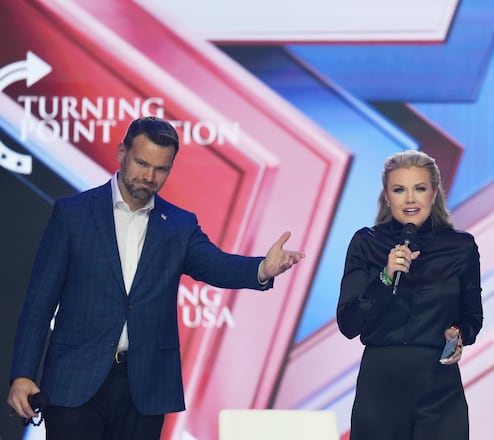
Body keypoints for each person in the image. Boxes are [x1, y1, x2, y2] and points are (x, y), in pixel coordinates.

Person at [6, 116, 305, 440]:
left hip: (145, 388)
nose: (149, 176)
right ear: (122, 153)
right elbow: (39, 303)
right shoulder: (73, 214)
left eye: (161, 169)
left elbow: (216, 265)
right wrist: (22, 374)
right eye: (141, 163)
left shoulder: (178, 225)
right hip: (75, 380)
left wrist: (262, 268)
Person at [337, 149, 483, 440]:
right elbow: (349, 323)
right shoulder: (366, 243)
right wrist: (386, 276)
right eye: (399, 189)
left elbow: (472, 315)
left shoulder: (461, 247)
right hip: (381, 390)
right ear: (387, 196)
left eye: (419, 188)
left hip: (438, 387)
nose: (410, 199)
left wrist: (459, 334)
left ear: (434, 193)